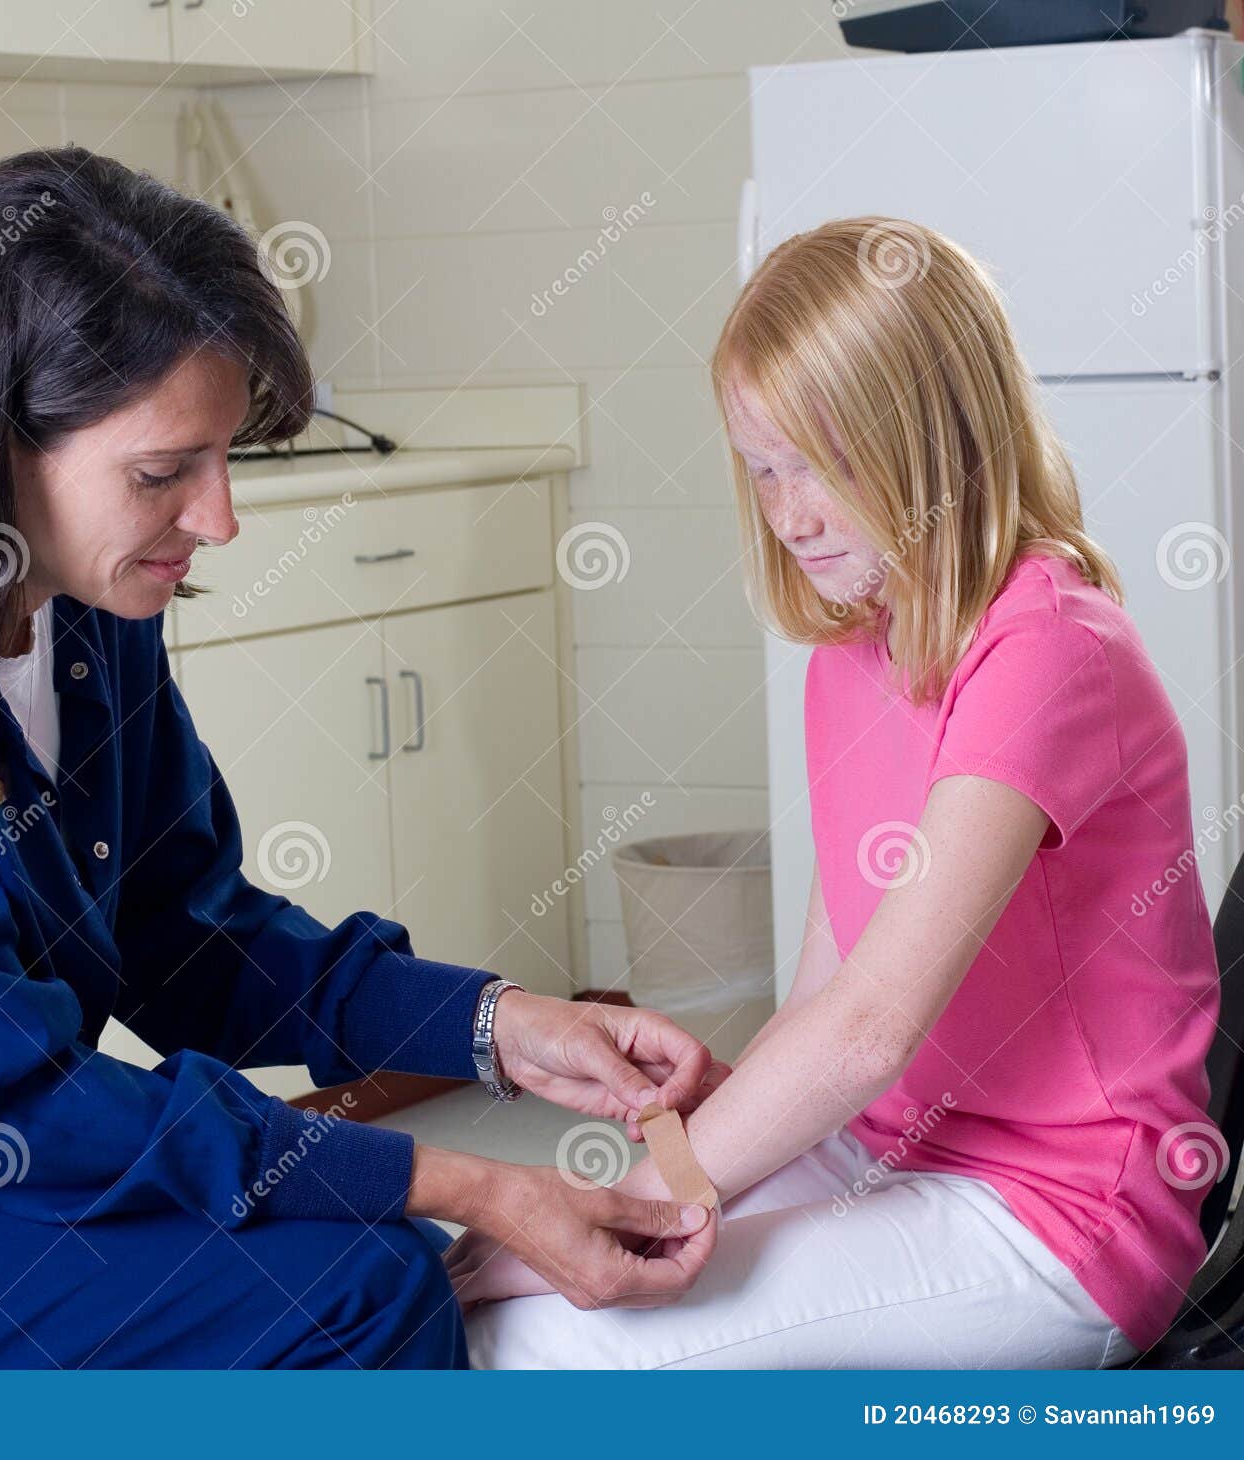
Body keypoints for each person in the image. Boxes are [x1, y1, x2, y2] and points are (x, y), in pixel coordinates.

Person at [0, 146, 723, 1370]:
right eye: (164, 473)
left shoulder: (81, 611)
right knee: (357, 1288)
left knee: (366, 1264)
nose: (218, 520)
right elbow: (16, 1102)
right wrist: (458, 1178)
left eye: (224, 459)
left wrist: (495, 1024)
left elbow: (183, 936)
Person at [453, 217, 1223, 1370]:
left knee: (549, 1339)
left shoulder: (1048, 649)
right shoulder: (853, 656)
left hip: (1057, 1215)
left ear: (935, 444)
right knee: (491, 1304)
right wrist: (657, 1176)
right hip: (889, 1148)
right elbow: (823, 998)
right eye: (762, 467)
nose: (788, 513)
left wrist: (627, 1209)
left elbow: (867, 1029)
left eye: (822, 462)